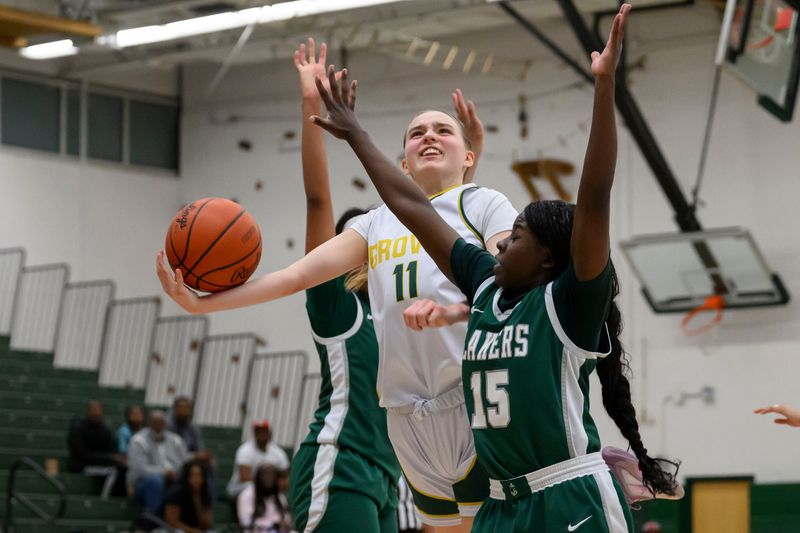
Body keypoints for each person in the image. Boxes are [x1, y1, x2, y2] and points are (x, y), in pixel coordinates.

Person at [311, 4, 679, 531]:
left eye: (519, 239)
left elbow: (595, 198)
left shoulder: (569, 306)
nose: (502, 247)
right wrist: (356, 136)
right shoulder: (485, 288)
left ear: (551, 259)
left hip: (569, 495)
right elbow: (414, 210)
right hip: (503, 505)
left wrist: (604, 89)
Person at [156, 55, 516, 532]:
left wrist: (453, 311)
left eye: (442, 130)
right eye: (416, 132)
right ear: (402, 163)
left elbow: (506, 277)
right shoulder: (373, 231)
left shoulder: (482, 202)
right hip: (394, 429)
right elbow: (296, 272)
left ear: (469, 158)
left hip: (467, 406)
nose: (429, 135)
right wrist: (200, 303)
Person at [283, 38, 399, 533]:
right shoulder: (339, 309)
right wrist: (312, 107)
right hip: (340, 463)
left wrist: (463, 173)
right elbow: (317, 202)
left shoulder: (398, 310)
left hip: (389, 476)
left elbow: (439, 241)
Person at [127, 409, 189, 515]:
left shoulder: (176, 440)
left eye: (161, 421)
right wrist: (164, 473)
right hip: (142, 484)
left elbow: (185, 463)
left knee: (197, 476)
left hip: (173, 480)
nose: (158, 424)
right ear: (148, 423)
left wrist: (175, 474)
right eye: (154, 421)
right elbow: (139, 469)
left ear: (165, 423)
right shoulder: (138, 440)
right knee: (155, 480)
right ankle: (152, 520)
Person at [67, 400, 127, 497]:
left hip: (99, 463)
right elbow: (83, 455)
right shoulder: (78, 429)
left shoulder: (104, 429)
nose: (96, 412)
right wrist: (110, 458)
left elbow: (111, 449)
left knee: (123, 467)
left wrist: (117, 458)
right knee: (113, 471)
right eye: (93, 409)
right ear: (87, 411)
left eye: (98, 409)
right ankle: (105, 499)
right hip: (82, 465)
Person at [227, 420, 290, 500]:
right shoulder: (245, 450)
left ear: (269, 433)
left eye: (264, 431)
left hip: (269, 488)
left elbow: (285, 477)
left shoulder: (278, 452)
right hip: (240, 490)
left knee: (283, 494)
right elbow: (245, 477)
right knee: (250, 488)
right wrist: (269, 484)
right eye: (258, 431)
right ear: (254, 433)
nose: (261, 434)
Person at [238, 464, 293, 533]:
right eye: (265, 475)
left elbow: (287, 517)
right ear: (258, 477)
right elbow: (246, 521)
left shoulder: (279, 496)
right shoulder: (247, 494)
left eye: (272, 476)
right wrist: (273, 523)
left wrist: (284, 523)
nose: (269, 479)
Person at [163, 460, 215, 533]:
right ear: (187, 477)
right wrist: (192, 531)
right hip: (177, 530)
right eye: (193, 475)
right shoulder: (176, 493)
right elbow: (171, 521)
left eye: (199, 475)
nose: (196, 479)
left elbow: (207, 525)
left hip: (196, 529)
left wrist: (198, 502)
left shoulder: (204, 493)